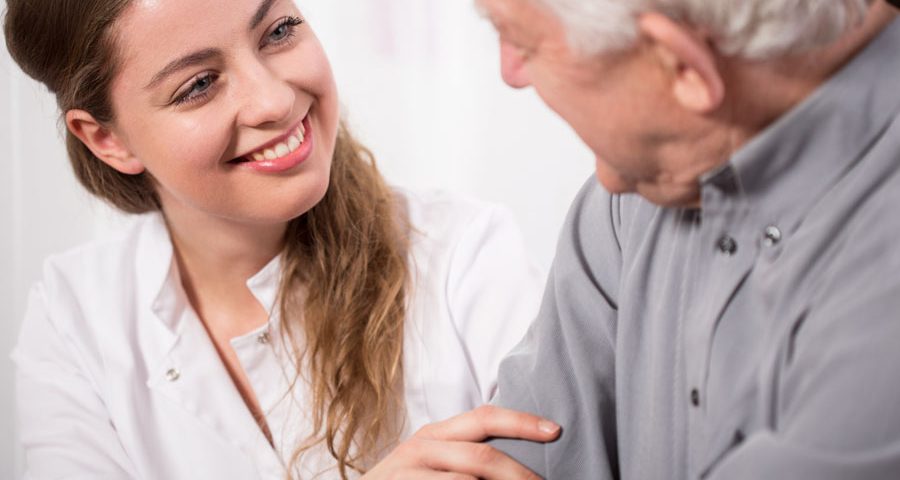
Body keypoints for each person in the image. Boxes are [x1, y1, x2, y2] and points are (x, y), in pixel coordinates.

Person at [3, 0, 559, 478]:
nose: (273, 101)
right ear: (106, 139)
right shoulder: (73, 315)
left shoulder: (466, 256)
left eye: (278, 31)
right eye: (198, 85)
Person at [467, 0, 900, 478]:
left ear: (681, 67)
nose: (511, 72)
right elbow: (509, 460)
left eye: (524, 42)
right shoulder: (634, 195)